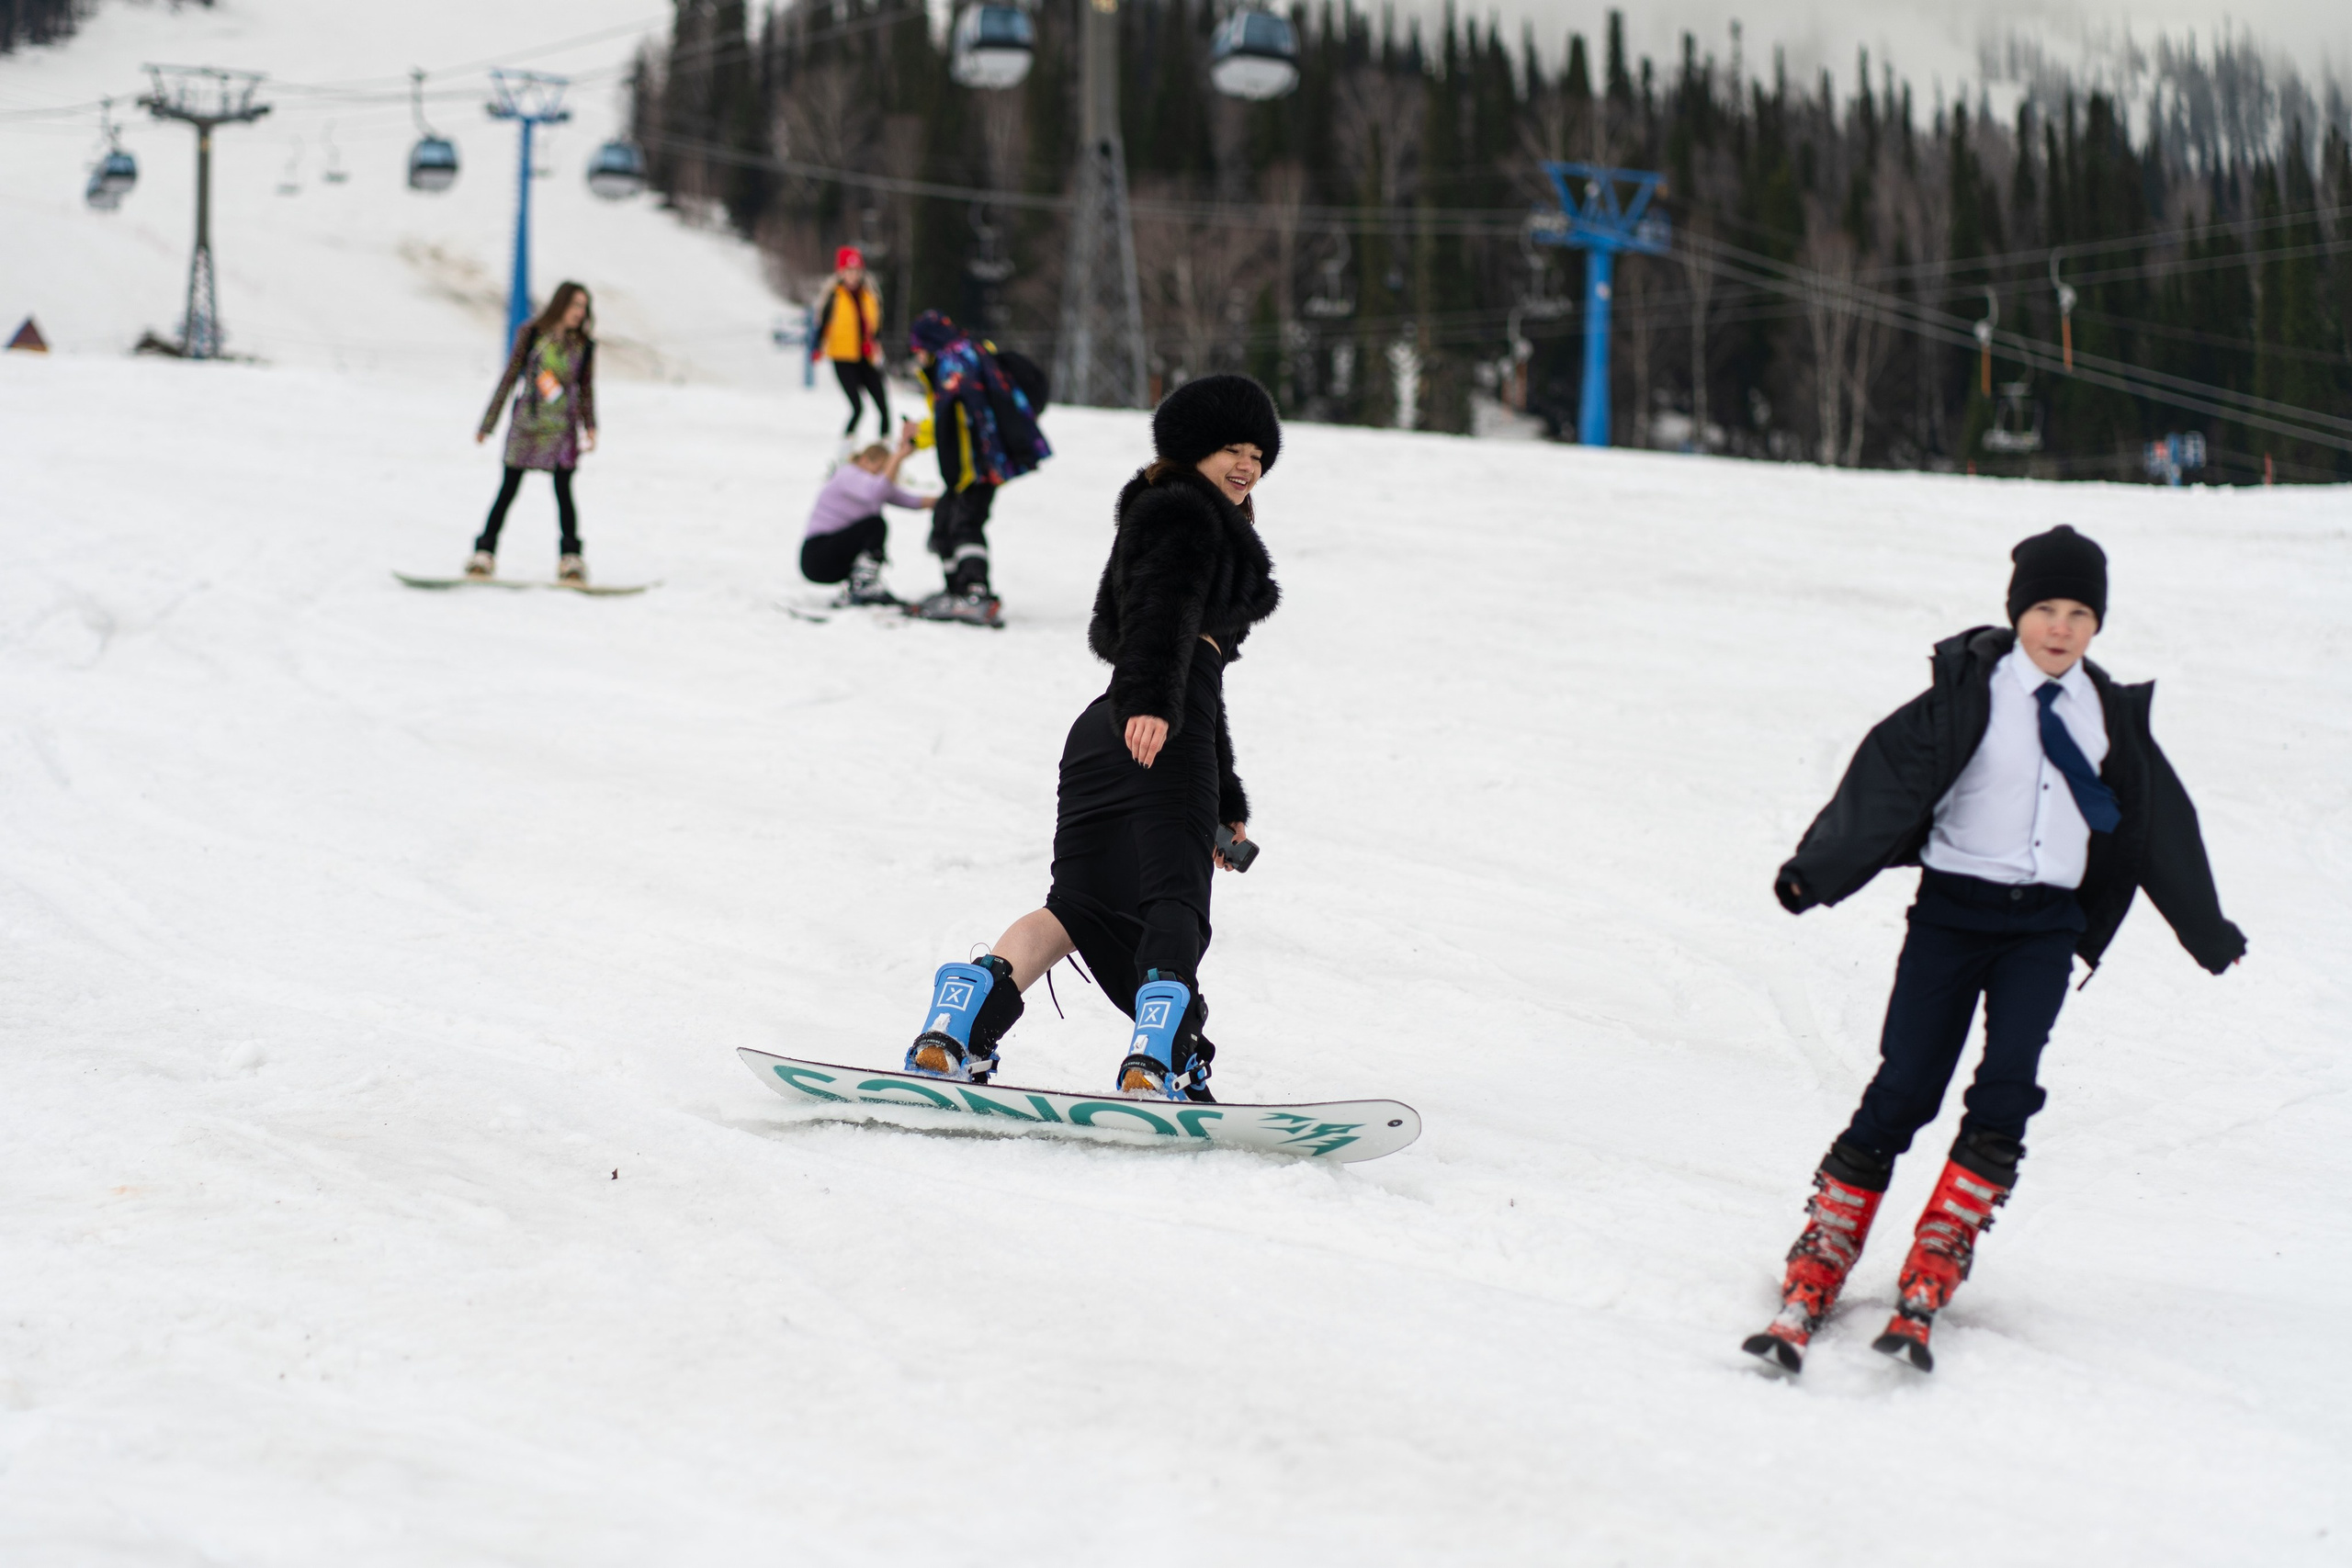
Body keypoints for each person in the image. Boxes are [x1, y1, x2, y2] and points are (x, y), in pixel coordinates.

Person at [1746, 525, 2245, 1375]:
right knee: (1907, 1083)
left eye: (2079, 612)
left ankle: (1941, 1246)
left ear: (2097, 623)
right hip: (1952, 914)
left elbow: (2158, 827)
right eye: (2045, 608)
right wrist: (1814, 872)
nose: (2060, 626)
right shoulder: (1967, 695)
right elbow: (1886, 779)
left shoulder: (2108, 716)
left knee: (2010, 1082)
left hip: (2044, 927)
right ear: (2018, 612)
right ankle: (1826, 1246)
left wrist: (2206, 928)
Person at [899, 375, 1283, 1100]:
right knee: (1175, 898)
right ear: (1192, 450)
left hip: (1106, 732)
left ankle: (958, 1024)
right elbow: (1159, 613)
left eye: (1258, 452)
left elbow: (1187, 664)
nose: (1246, 464)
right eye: (1231, 447)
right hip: (1156, 726)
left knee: (1074, 904)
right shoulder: (1186, 517)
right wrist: (1154, 706)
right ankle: (1160, 1057)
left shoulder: (1164, 510)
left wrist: (1222, 792)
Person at [903, 310, 1050, 625]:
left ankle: (975, 592)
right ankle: (956, 590)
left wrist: (963, 473)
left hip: (979, 465)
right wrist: (920, 437)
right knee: (945, 521)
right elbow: (949, 421)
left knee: (965, 523)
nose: (916, 355)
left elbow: (964, 420)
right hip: (974, 463)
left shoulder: (954, 364)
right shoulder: (962, 354)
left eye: (917, 347)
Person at [469, 282, 598, 584]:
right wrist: (488, 424)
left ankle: (571, 559)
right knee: (508, 489)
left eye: (584, 307)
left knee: (564, 493)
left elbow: (585, 390)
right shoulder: (532, 336)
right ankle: (484, 554)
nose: (580, 313)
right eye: (575, 305)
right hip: (527, 427)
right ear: (561, 304)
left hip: (562, 430)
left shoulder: (584, 346)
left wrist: (590, 426)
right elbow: (509, 378)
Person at [800, 425, 935, 606]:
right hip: (818, 556)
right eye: (879, 468)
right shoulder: (848, 474)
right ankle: (864, 585)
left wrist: (951, 499)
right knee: (874, 525)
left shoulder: (872, 485)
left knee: (873, 524)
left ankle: (861, 584)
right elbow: (876, 491)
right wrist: (899, 456)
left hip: (834, 557)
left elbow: (912, 501)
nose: (881, 475)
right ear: (864, 460)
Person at [809, 247, 888, 437]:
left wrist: (876, 342)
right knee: (857, 407)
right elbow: (822, 323)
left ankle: (885, 446)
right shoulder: (834, 296)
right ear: (841, 272)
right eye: (849, 271)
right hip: (843, 356)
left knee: (883, 406)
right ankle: (846, 444)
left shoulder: (870, 295)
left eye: (856, 271)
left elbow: (876, 323)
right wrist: (817, 347)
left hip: (866, 356)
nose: (853, 276)